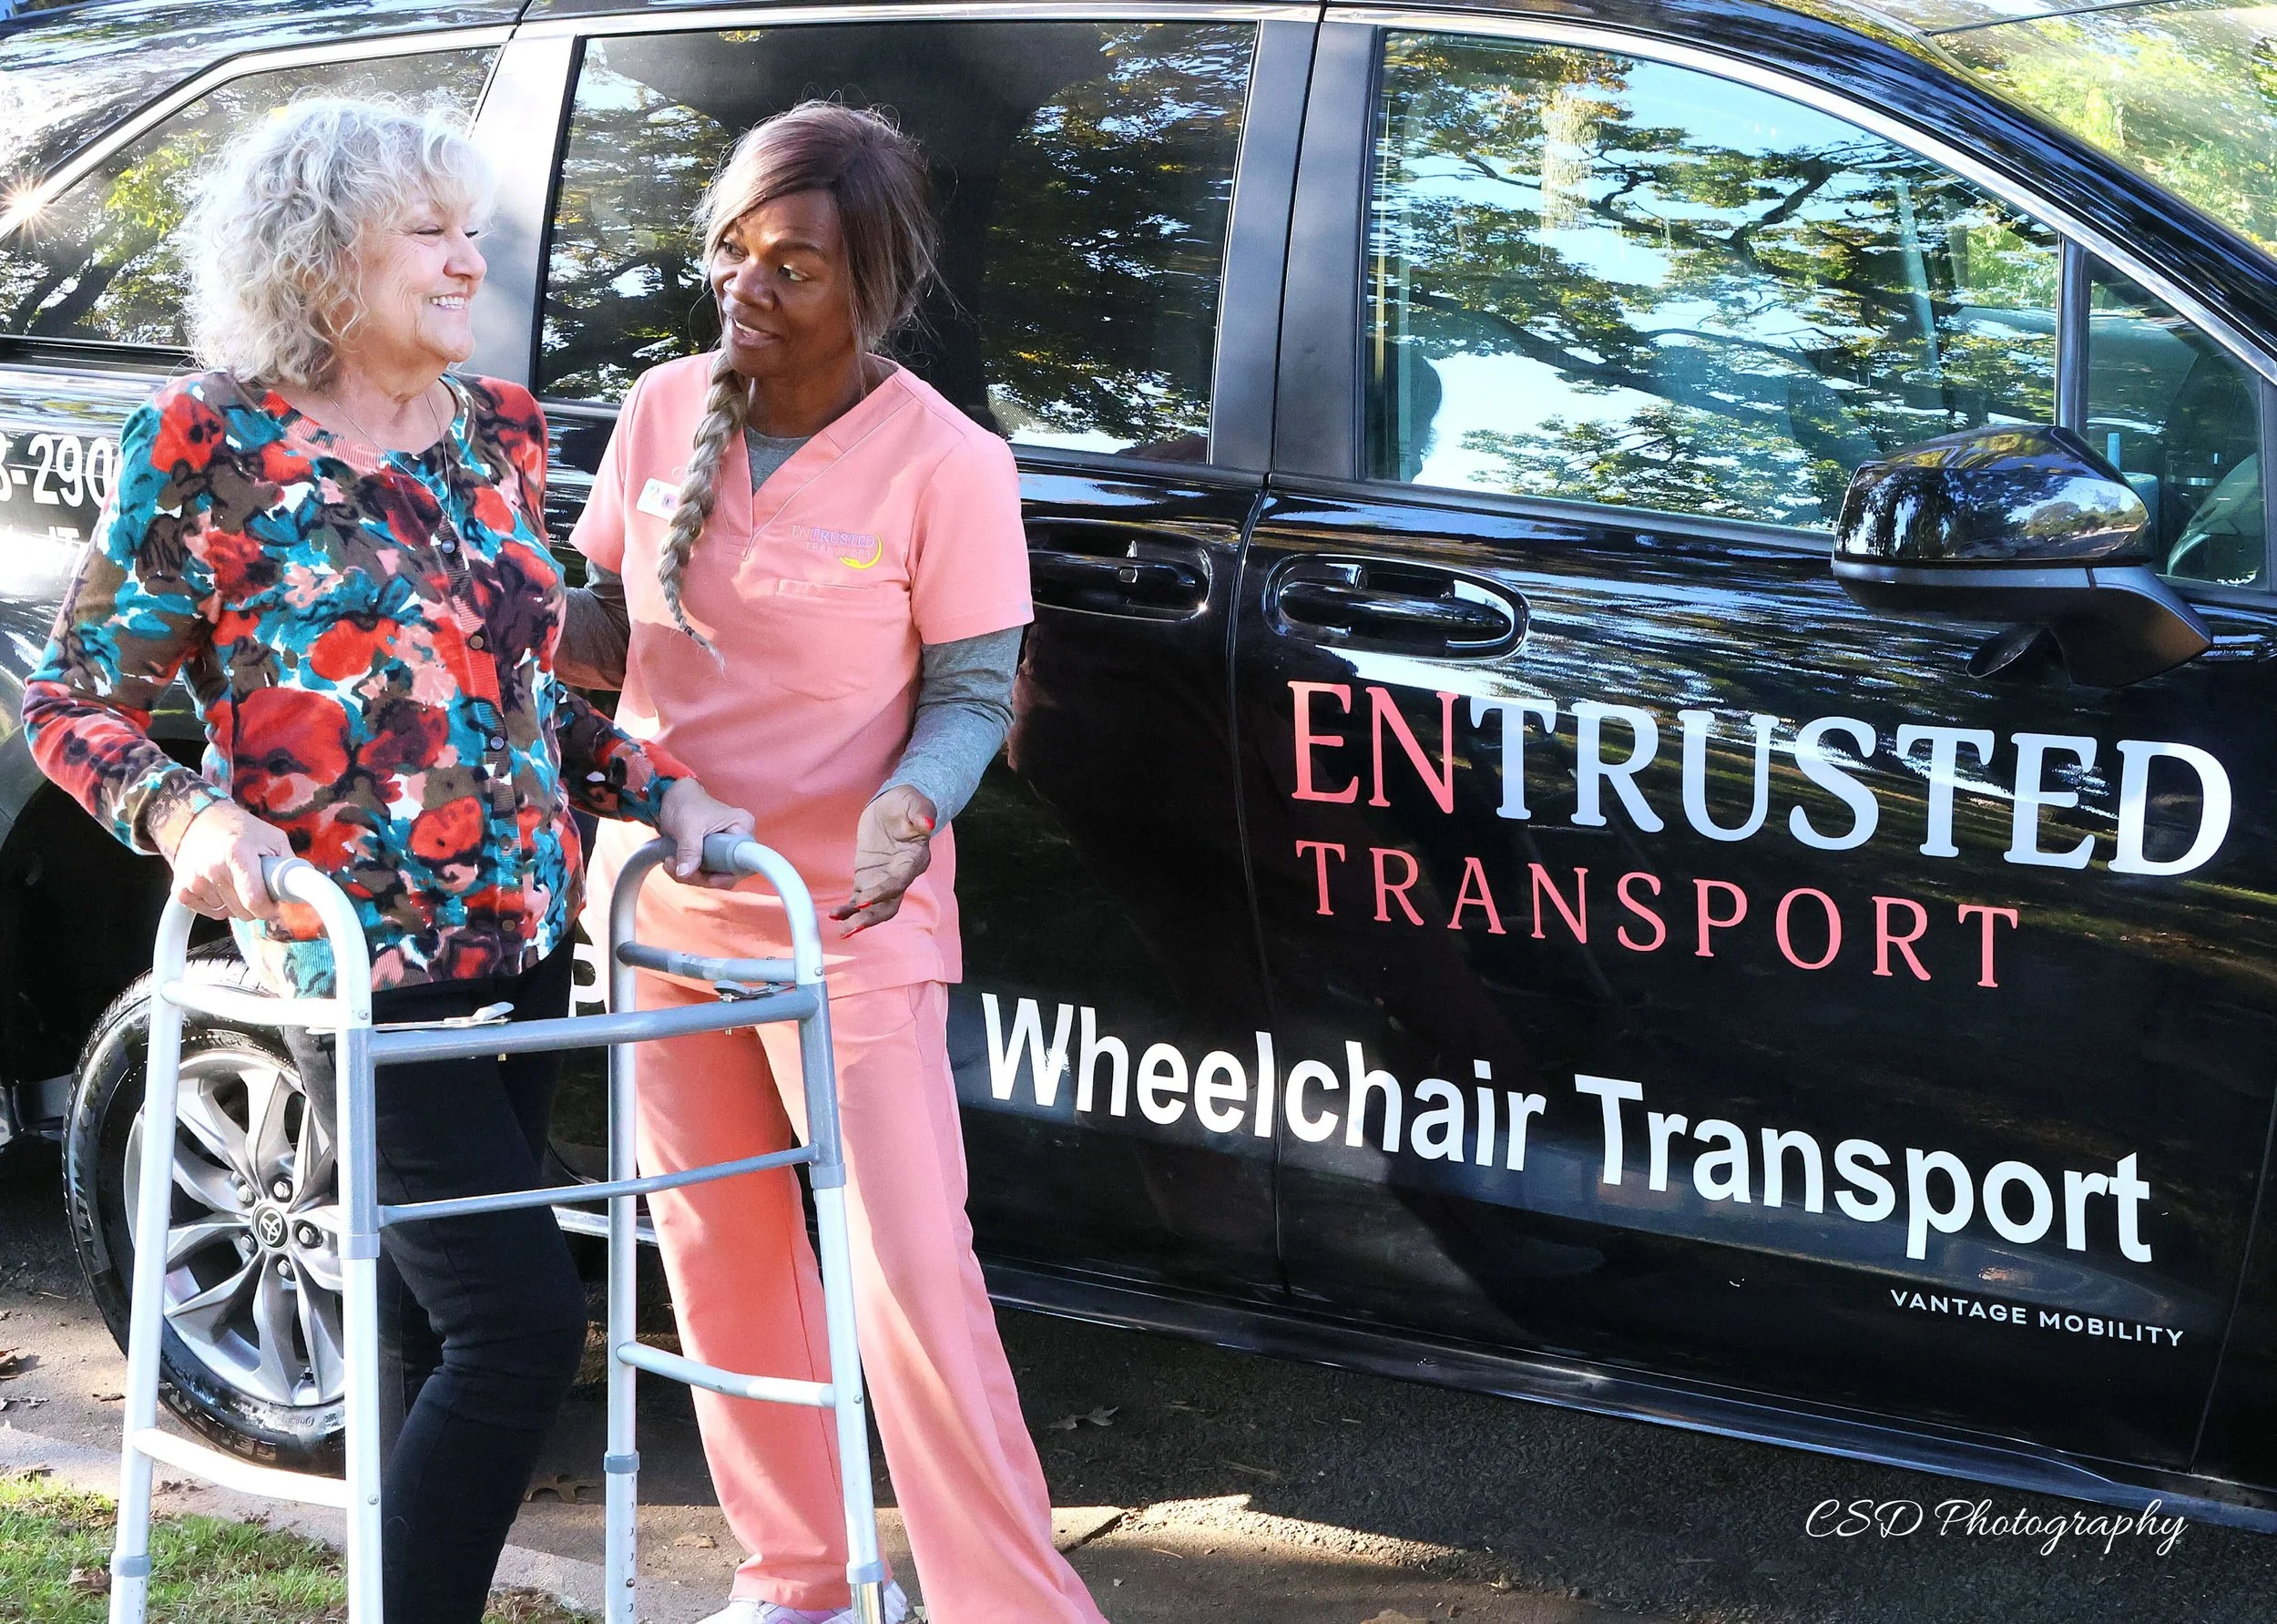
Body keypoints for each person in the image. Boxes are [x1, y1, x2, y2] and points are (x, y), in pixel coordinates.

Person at [21, 98, 753, 1624]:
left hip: (525, 940)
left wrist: (657, 784)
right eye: (427, 228)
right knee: (517, 1324)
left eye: (463, 226)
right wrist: (187, 816)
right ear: (316, 252)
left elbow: (519, 687)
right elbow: (75, 703)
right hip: (361, 960)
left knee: (428, 1327)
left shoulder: (501, 429)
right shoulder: (211, 441)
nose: (464, 255)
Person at [557, 103, 1107, 1624]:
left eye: (793, 266)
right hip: (663, 903)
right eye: (733, 250)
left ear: (879, 287)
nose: (748, 286)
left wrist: (913, 806)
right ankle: (798, 1578)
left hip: (848, 919)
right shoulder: (665, 409)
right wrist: (492, 608)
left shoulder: (948, 460)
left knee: (910, 1275)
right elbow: (604, 633)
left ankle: (1010, 1603)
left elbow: (977, 692)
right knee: (717, 1251)